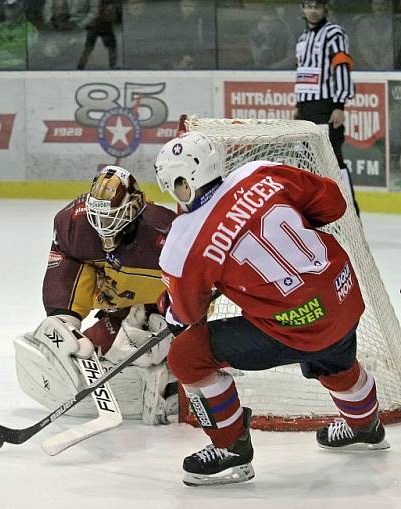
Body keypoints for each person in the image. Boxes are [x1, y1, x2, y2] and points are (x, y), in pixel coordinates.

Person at [153, 132, 389, 487]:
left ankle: (231, 451)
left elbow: (185, 317)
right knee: (333, 356)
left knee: (187, 356)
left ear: (181, 184)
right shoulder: (261, 172)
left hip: (296, 326)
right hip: (343, 295)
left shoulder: (184, 240)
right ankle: (365, 426)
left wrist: (172, 303)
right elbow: (333, 205)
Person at [14, 165, 178, 425]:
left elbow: (199, 284)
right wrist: (64, 320)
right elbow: (65, 270)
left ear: (134, 207)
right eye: (98, 217)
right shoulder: (74, 224)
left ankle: (176, 383)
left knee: (153, 350)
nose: (103, 226)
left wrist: (170, 314)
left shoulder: (165, 232)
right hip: (120, 302)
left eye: (111, 216)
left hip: (157, 305)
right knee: (87, 346)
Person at [294, 0, 359, 215]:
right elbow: (302, 72)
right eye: (308, 6)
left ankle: (350, 214)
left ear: (325, 9)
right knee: (306, 160)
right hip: (306, 108)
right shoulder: (303, 38)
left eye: (317, 6)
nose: (313, 11)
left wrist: (339, 105)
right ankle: (319, 213)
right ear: (302, 8)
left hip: (326, 106)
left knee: (333, 161)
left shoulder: (334, 33)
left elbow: (342, 66)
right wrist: (298, 106)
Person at [0, 0, 38, 69]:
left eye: (13, 6)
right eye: (8, 6)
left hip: (23, 69)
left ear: (20, 7)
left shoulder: (29, 28)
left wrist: (2, 47)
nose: (10, 8)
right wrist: (15, 52)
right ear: (4, 8)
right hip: (0, 70)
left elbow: (24, 49)